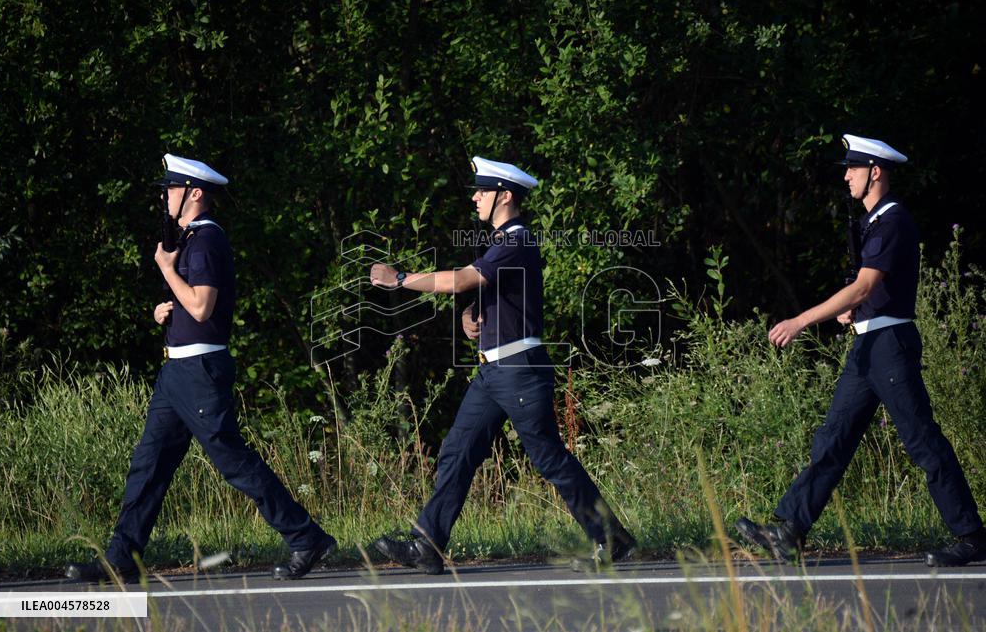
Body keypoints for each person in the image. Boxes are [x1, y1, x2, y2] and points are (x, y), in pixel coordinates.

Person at [65, 154, 336, 583]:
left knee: (233, 462)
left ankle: (307, 538)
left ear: (193, 192)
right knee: (148, 464)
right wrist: (165, 311)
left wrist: (167, 272)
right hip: (178, 373)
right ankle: (121, 558)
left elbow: (201, 304)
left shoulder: (207, 239)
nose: (163, 195)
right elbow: (191, 306)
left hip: (200, 372)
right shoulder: (191, 237)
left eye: (170, 188)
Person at [368, 157, 635, 574]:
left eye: (482, 190)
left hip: (519, 370)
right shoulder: (499, 243)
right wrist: (473, 314)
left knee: (547, 456)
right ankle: (428, 546)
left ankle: (612, 538)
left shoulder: (516, 239)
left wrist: (399, 278)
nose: (474, 197)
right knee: (458, 452)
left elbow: (459, 280)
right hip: (492, 372)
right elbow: (493, 292)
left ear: (504, 195)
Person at [735, 134, 985, 567]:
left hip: (890, 347)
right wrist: (856, 311)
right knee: (833, 439)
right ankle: (789, 531)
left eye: (853, 167)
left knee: (922, 440)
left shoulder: (892, 220)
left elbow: (866, 284)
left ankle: (971, 536)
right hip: (868, 346)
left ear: (875, 171)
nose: (846, 175)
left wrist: (801, 321)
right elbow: (872, 290)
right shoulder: (874, 223)